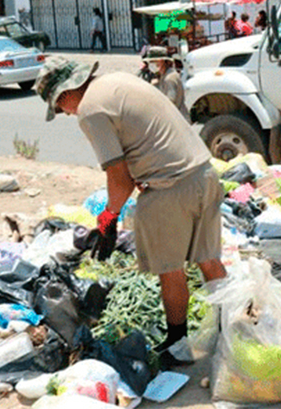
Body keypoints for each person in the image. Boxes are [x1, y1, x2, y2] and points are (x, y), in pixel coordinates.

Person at [34, 56, 226, 366]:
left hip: (170, 190)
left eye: (59, 108)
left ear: (65, 94)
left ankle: (178, 345)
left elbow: (119, 178)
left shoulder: (90, 110)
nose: (66, 113)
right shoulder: (119, 81)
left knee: (170, 269)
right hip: (204, 174)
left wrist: (107, 220)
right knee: (208, 260)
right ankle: (235, 330)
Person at [144, 46, 186, 118]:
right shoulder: (165, 75)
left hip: (177, 119)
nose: (151, 64)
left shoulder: (169, 79)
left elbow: (170, 103)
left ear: (161, 61)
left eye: (153, 61)